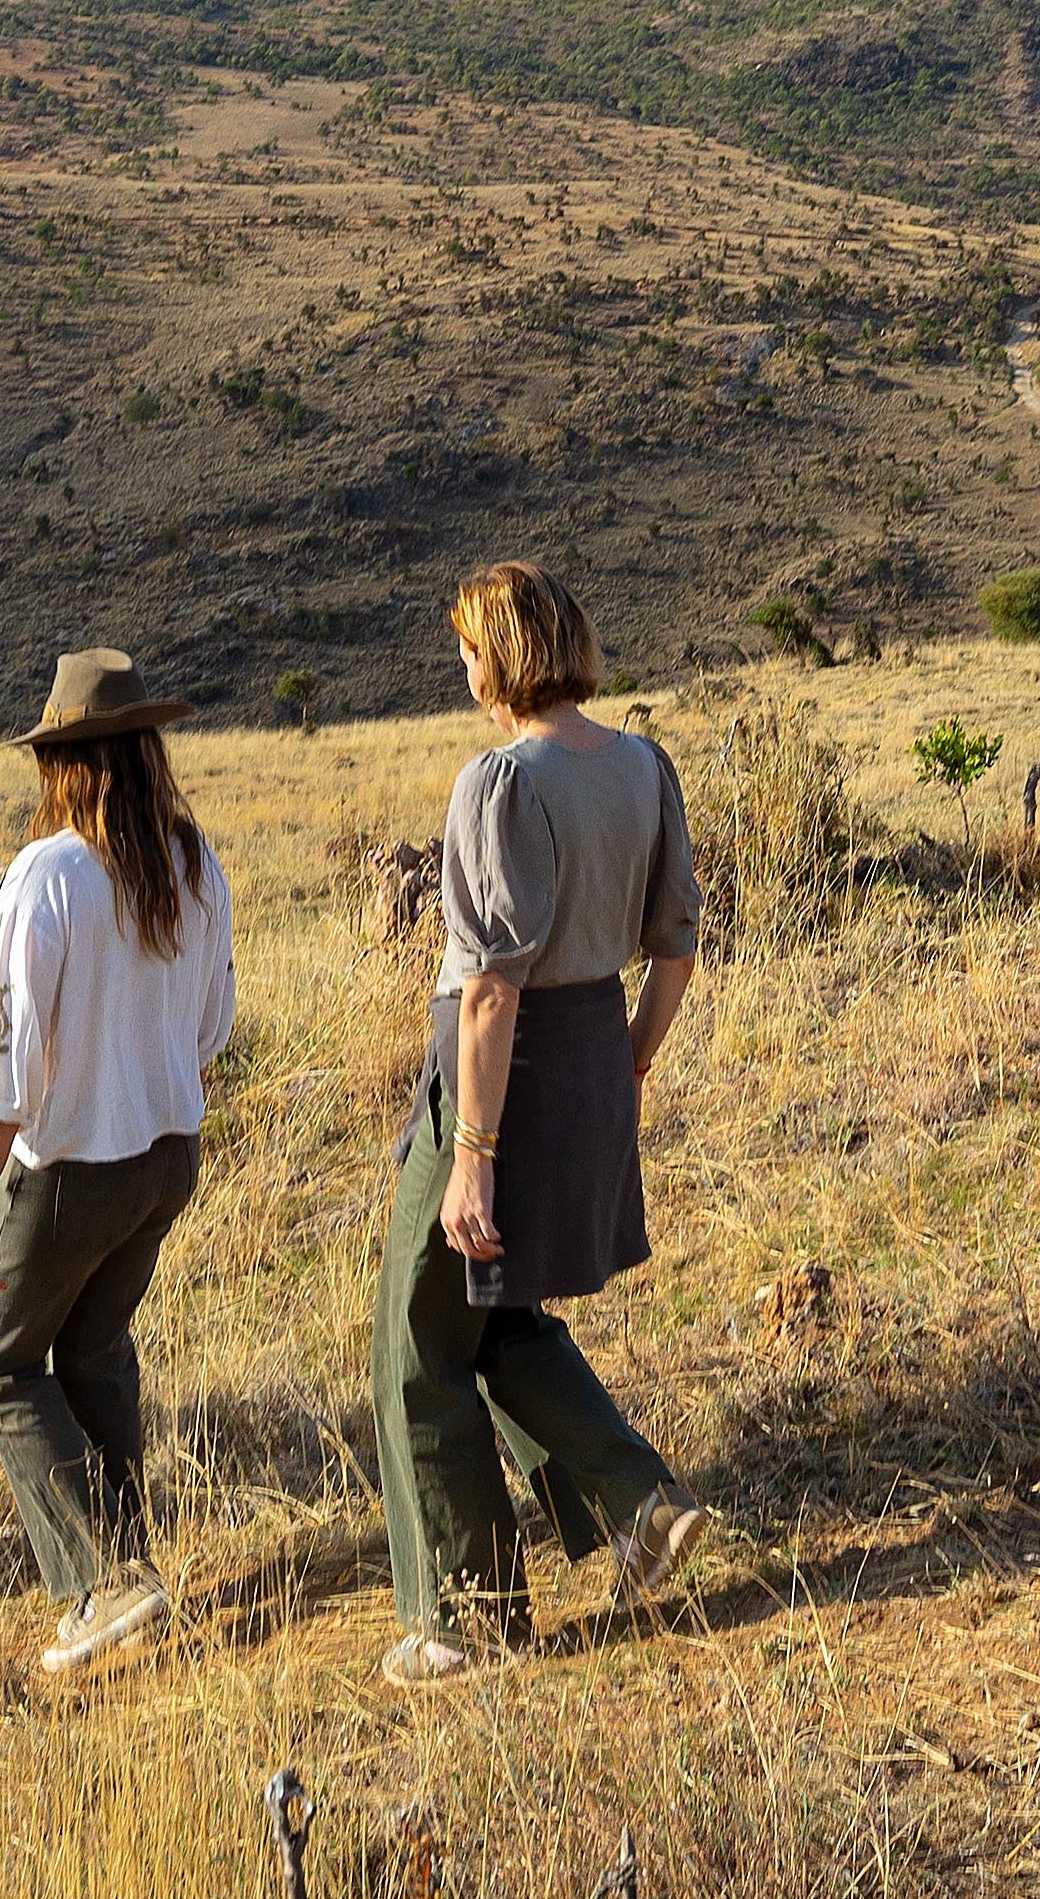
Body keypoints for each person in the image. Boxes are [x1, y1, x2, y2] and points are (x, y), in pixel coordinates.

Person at [372, 562, 713, 1685]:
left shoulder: (499, 780)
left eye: (468, 645)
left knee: (418, 1338)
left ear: (504, 650)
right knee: (500, 1316)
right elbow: (673, 945)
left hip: (496, 1079)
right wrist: (624, 1063)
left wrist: (471, 1153)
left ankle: (465, 1618)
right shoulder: (640, 764)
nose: (462, 668)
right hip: (588, 1060)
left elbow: (487, 986)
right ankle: (636, 1501)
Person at [0, 650, 239, 1679]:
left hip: (72, 1163)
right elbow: (213, 1024)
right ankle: (134, 1565)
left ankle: (99, 1580)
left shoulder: (49, 872)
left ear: (64, 764)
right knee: (95, 1347)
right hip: (168, 1153)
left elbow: (7, 1051)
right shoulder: (191, 859)